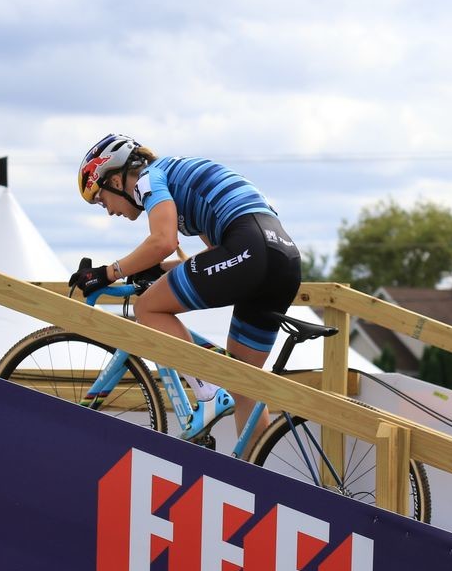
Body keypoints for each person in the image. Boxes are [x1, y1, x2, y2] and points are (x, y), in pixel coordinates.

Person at [72, 133, 302, 447]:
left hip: (251, 248)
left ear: (115, 179)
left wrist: (107, 273)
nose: (108, 210)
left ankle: (207, 394)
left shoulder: (149, 178)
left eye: (100, 198)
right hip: (283, 257)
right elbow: (216, 256)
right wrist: (155, 269)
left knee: (148, 308)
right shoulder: (177, 175)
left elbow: (163, 242)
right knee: (243, 381)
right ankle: (257, 478)